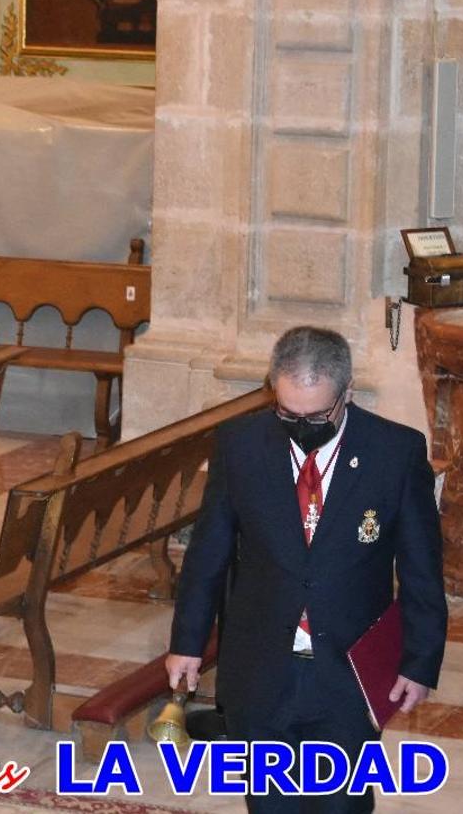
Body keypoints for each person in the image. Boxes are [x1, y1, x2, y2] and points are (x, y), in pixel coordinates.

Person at [166, 326, 447, 813]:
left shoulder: (395, 453)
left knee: (340, 805)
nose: (300, 425)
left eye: (316, 415)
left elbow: (422, 567)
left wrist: (419, 661)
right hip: (260, 664)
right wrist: (187, 643)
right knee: (270, 804)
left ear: (347, 393)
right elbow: (208, 552)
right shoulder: (241, 444)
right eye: (286, 412)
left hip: (348, 669)